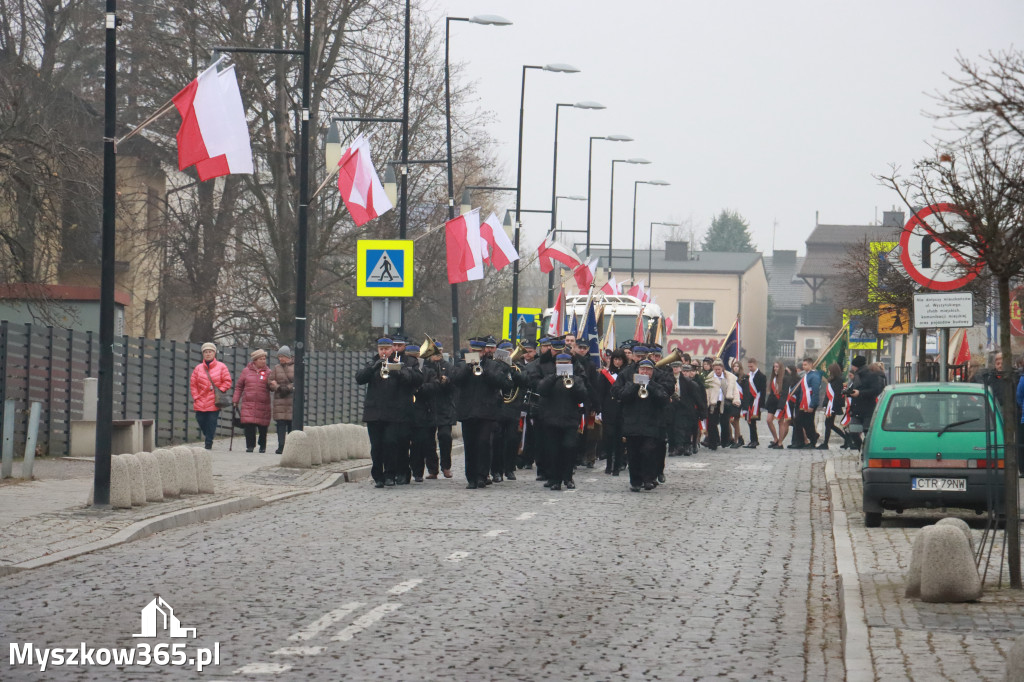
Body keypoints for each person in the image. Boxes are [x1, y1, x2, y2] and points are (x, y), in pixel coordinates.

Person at [356, 337, 422, 488]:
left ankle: (390, 475)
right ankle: (378, 475)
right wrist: (373, 368)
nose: (384, 352)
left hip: (393, 413)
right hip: (374, 413)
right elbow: (359, 378)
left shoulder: (400, 363)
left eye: (387, 349)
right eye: (381, 349)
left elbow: (415, 379)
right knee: (376, 447)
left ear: (392, 349)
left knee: (391, 443)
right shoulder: (372, 362)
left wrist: (397, 371)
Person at [453, 338, 511, 489]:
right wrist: (468, 368)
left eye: (479, 351)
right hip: (467, 411)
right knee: (470, 445)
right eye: (474, 351)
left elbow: (503, 382)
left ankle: (482, 475)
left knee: (484, 443)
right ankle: (471, 477)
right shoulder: (461, 364)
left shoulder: (493, 365)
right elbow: (455, 380)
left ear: (484, 351)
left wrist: (484, 372)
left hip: (486, 411)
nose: (476, 354)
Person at [613, 358, 669, 491]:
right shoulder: (630, 383)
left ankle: (648, 479)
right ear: (638, 370)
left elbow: (664, 398)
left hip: (651, 425)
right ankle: (636, 481)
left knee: (648, 452)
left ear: (652, 372)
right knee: (633, 454)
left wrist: (649, 385)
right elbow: (622, 395)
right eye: (642, 369)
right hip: (632, 425)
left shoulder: (656, 384)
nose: (645, 372)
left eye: (648, 370)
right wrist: (635, 385)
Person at [537, 352, 588, 490]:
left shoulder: (576, 379)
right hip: (551, 420)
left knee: (569, 448)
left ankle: (568, 477)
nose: (563, 366)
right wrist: (555, 377)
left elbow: (583, 396)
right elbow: (541, 389)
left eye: (566, 364)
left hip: (570, 420)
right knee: (553, 451)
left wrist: (572, 381)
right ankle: (555, 480)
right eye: (560, 364)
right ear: (556, 364)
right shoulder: (550, 378)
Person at [190, 342, 232, 450]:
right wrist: (195, 396)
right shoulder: (198, 368)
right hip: (200, 399)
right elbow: (193, 384)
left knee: (212, 421)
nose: (208, 354)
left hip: (214, 400)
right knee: (200, 419)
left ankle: (208, 442)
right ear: (203, 354)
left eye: (210, 352)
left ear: (214, 353)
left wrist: (220, 390)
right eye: (205, 352)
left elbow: (227, 381)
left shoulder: (222, 367)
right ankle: (208, 435)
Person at [427, 340, 457, 478]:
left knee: (445, 437)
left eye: (438, 351)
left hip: (445, 407)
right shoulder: (426, 366)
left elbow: (455, 387)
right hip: (429, 407)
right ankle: (432, 469)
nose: (436, 355)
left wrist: (447, 381)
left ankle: (446, 466)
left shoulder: (449, 367)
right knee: (428, 440)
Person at [234, 348, 272, 453]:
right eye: (261, 359)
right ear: (255, 360)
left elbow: (272, 387)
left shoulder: (268, 372)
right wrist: (235, 400)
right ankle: (250, 445)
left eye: (264, 359)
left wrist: (273, 385)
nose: (263, 361)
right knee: (249, 425)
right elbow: (239, 387)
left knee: (263, 426)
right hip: (248, 403)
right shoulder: (246, 371)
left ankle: (262, 445)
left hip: (263, 403)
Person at [597, 349, 627, 473]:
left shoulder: (626, 374)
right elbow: (601, 393)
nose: (617, 362)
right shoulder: (605, 374)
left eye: (620, 359)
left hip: (622, 409)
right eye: (615, 359)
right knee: (609, 437)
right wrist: (599, 409)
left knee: (619, 439)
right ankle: (609, 464)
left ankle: (618, 465)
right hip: (609, 409)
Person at [847, 355, 885, 450]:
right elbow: (855, 389)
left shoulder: (872, 376)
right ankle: (862, 450)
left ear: (857, 366)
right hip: (856, 409)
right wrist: (849, 392)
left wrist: (860, 393)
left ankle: (868, 451)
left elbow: (875, 390)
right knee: (853, 432)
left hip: (868, 410)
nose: (852, 368)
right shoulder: (856, 376)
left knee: (867, 433)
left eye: (853, 366)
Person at [705, 359, 740, 450]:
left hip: (725, 402)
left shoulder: (729, 378)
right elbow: (707, 392)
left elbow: (735, 390)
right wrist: (707, 403)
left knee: (725, 423)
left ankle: (725, 441)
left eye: (719, 369)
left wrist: (736, 400)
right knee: (712, 424)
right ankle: (713, 443)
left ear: (722, 368)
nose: (717, 371)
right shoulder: (710, 378)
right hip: (714, 403)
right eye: (715, 369)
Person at [268, 346, 294, 455]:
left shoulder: (295, 367)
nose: (280, 359)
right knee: (280, 425)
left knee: (291, 426)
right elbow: (270, 381)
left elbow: (297, 382)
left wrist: (284, 388)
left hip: (291, 401)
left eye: (282, 356)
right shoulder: (276, 368)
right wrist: (275, 387)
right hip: (280, 402)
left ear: (287, 356)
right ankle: (281, 446)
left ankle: (291, 447)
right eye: (279, 356)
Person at [818, 362, 848, 450]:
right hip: (830, 405)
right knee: (829, 424)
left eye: (830, 370)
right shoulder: (833, 379)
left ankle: (826, 443)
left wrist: (832, 406)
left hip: (833, 405)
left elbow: (838, 394)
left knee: (829, 424)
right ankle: (847, 438)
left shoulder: (838, 380)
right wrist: (825, 404)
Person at [744, 358, 766, 448]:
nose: (750, 368)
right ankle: (752, 440)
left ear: (755, 364)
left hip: (756, 402)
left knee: (753, 422)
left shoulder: (761, 376)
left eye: (751, 366)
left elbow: (763, 391)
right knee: (749, 421)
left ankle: (755, 440)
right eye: (749, 366)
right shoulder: (748, 376)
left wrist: (762, 404)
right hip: (749, 401)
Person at [763, 361, 782, 447]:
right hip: (772, 401)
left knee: (781, 422)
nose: (775, 368)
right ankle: (775, 438)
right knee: (768, 420)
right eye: (774, 367)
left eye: (777, 367)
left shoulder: (783, 378)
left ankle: (780, 441)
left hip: (780, 402)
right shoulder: (773, 378)